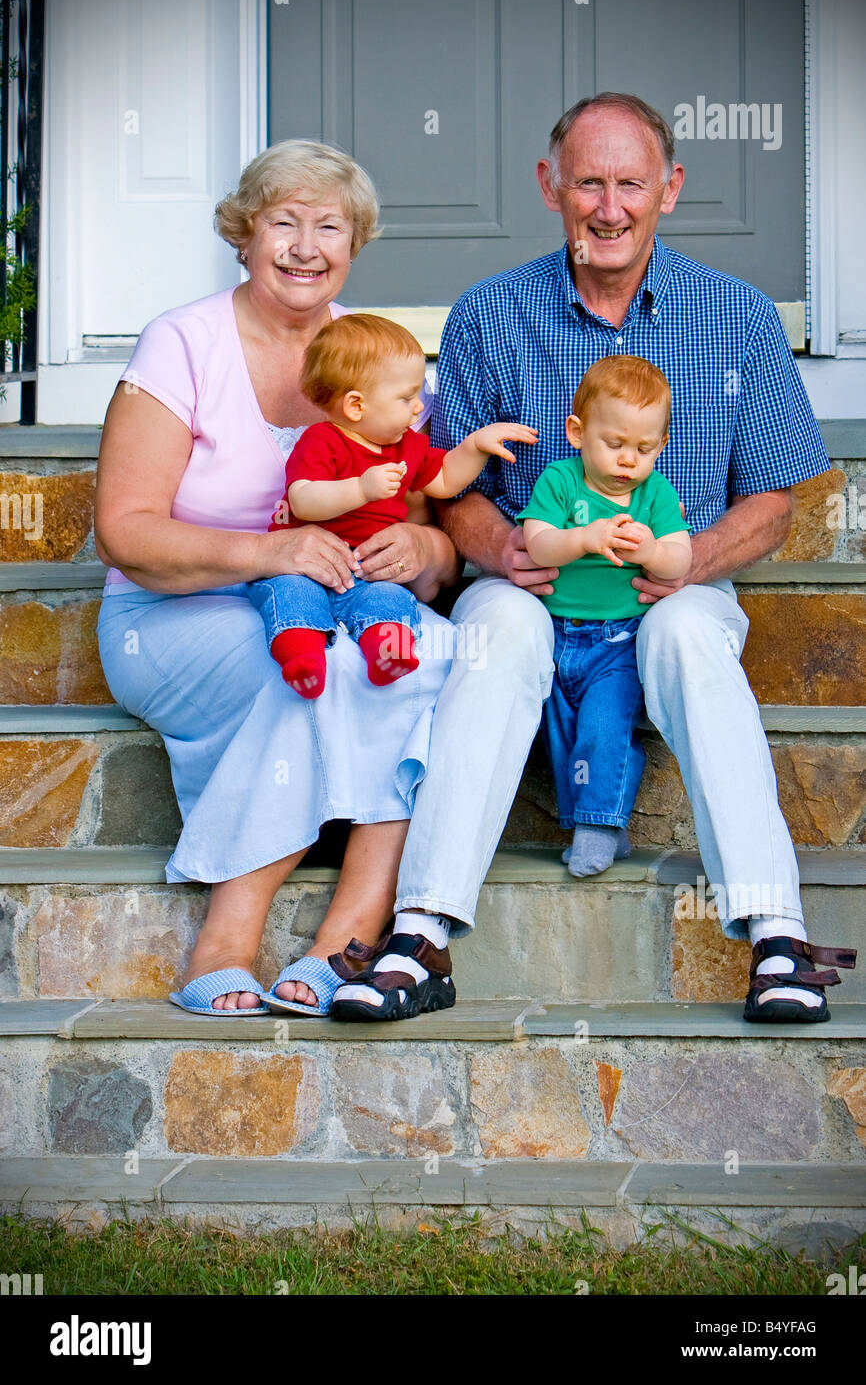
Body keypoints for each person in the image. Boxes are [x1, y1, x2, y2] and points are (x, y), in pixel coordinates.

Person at [331, 92, 856, 1026]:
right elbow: (445, 480)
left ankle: (776, 934)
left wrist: (693, 562)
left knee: (695, 636)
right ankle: (421, 933)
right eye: (587, 183)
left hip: (672, 586)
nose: (608, 208)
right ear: (550, 187)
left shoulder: (735, 315)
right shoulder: (495, 314)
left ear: (670, 188)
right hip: (534, 587)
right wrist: (492, 546)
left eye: (629, 183)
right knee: (491, 632)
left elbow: (774, 501)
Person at [95, 140, 460, 1019]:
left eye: (328, 226)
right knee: (304, 661)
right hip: (176, 612)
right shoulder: (183, 343)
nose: (305, 246)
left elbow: (426, 518)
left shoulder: (377, 354)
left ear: (355, 242)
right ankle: (227, 937)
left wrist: (429, 556)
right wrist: (272, 554)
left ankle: (350, 935)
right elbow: (126, 530)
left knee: (433, 646)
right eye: (282, 222)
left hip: (336, 604)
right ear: (244, 235)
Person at [248, 312, 535, 699]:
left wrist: (475, 446)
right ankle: (302, 658)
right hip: (306, 566)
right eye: (406, 397)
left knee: (390, 599)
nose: (419, 408)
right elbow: (304, 499)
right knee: (292, 596)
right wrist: (361, 489)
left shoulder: (406, 447)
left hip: (367, 570)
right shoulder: (322, 441)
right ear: (355, 406)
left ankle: (388, 653)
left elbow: (445, 479)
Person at [519, 354, 691, 877]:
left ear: (659, 447)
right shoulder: (560, 482)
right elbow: (538, 545)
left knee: (604, 726)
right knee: (563, 734)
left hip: (619, 640)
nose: (627, 461)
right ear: (577, 432)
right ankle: (591, 824)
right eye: (614, 444)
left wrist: (651, 553)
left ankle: (598, 827)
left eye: (643, 449)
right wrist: (585, 539)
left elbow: (681, 557)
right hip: (556, 634)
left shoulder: (654, 494)